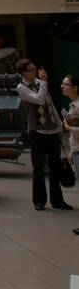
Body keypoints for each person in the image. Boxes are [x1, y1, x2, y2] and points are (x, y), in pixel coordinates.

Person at [16, 58, 72, 211]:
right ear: (23, 73)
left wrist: (59, 126)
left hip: (52, 130)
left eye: (35, 68)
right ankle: (39, 201)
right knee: (38, 168)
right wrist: (44, 82)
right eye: (31, 70)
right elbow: (39, 100)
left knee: (55, 167)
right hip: (38, 132)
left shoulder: (41, 84)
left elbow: (50, 104)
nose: (35, 71)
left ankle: (57, 200)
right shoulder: (22, 87)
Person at [61, 74, 79, 235]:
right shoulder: (73, 105)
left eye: (66, 84)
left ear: (75, 87)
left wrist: (68, 127)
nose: (63, 86)